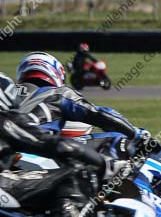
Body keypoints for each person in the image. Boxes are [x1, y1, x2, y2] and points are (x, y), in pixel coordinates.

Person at [0, 72, 128, 217]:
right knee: (78, 174)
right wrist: (105, 163)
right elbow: (60, 144)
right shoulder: (58, 94)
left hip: (20, 163)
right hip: (22, 167)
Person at [14, 52, 146, 147]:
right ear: (54, 71)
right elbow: (99, 114)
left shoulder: (7, 92)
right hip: (34, 152)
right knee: (119, 141)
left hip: (6, 154)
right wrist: (137, 134)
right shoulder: (59, 93)